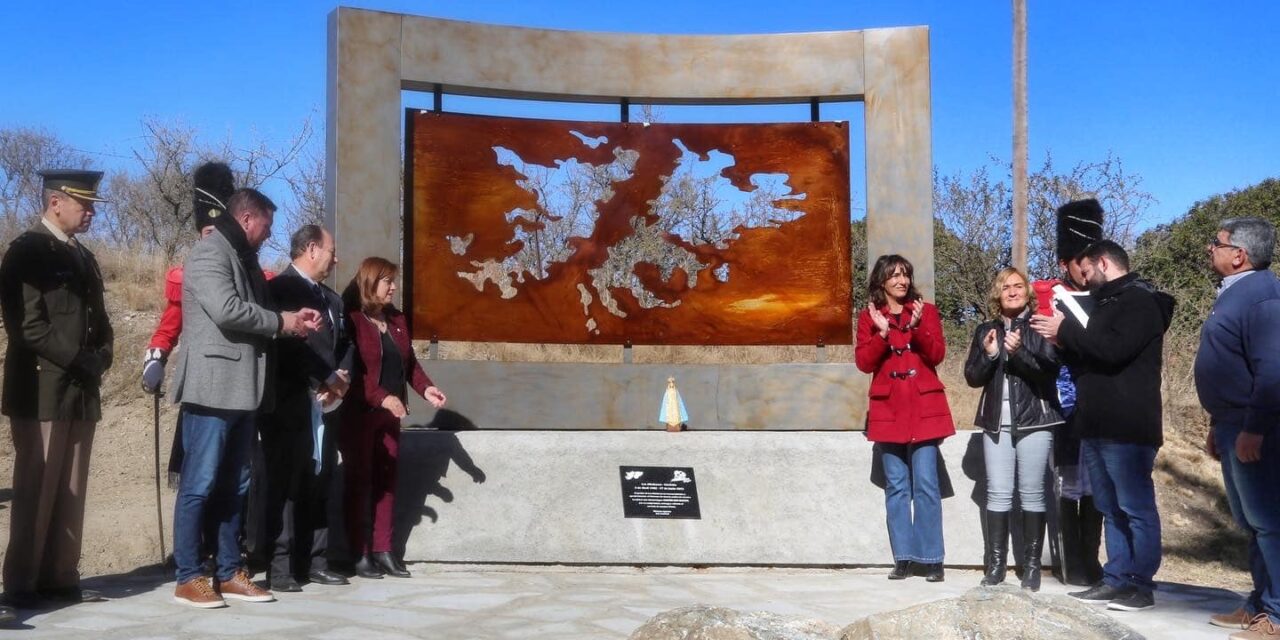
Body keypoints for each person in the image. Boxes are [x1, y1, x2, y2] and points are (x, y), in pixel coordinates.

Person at [169, 188, 321, 608]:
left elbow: (258, 310)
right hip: (213, 386)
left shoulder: (245, 259)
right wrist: (282, 321)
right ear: (248, 218)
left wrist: (293, 319)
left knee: (235, 485)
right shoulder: (209, 253)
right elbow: (227, 309)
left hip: (243, 390)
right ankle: (187, 575)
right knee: (199, 484)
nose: (268, 236)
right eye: (267, 227)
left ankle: (228, 571)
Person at [1030, 240, 1174, 612]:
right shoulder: (1107, 302)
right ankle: (1115, 579)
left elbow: (1113, 351)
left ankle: (1139, 584)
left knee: (1135, 508)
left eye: (1087, 269)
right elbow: (1089, 356)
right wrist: (1058, 340)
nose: (1084, 276)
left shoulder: (1140, 302)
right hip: (1095, 422)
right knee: (1110, 507)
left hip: (1127, 425)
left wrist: (1065, 331)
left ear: (1104, 263)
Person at [1, 170, 114, 610]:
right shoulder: (26, 252)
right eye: (83, 204)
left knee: (72, 484)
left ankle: (61, 576)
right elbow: (27, 324)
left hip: (80, 388)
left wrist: (103, 354)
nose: (90, 212)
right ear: (55, 203)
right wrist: (77, 359)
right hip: (42, 386)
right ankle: (23, 583)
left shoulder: (83, 256)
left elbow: (98, 318)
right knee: (37, 485)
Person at [1195, 217, 1280, 639]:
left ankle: (1278, 615)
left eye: (1217, 243)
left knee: (1270, 521)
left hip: (1255, 427)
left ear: (1239, 255)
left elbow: (1272, 369)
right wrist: (1218, 423)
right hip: (1232, 423)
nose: (1211, 249)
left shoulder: (1262, 297)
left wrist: (1254, 427)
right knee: (1252, 523)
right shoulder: (1236, 294)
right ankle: (1260, 604)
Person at [341, 257, 446, 579]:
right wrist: (382, 397)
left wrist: (426, 389)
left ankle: (383, 550)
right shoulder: (353, 319)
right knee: (360, 482)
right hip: (360, 414)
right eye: (388, 281)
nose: (394, 287)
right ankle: (358, 554)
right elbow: (354, 373)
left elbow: (409, 363)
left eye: (394, 281)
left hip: (391, 415)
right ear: (371, 282)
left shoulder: (397, 319)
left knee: (387, 482)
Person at [261, 225, 352, 592]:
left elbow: (345, 344)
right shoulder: (279, 289)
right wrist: (323, 378)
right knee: (285, 484)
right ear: (312, 249)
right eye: (332, 250)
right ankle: (280, 567)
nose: (336, 258)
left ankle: (315, 560)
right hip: (291, 401)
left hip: (328, 403)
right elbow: (287, 347)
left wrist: (340, 383)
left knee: (321, 480)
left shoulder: (332, 299)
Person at [854, 254, 954, 582]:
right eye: (894, 275)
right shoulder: (869, 317)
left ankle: (932, 557)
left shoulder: (926, 312)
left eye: (905, 275)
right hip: (888, 410)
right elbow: (864, 363)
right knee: (896, 487)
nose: (901, 281)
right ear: (881, 280)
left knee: (926, 483)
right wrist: (882, 335)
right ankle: (904, 557)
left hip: (924, 409)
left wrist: (916, 327)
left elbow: (937, 354)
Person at [964, 267, 1063, 591]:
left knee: (1033, 492)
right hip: (997, 422)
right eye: (1005, 287)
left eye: (1018, 286)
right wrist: (991, 355)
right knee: (998, 492)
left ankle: (1031, 568)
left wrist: (1018, 353)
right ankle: (995, 566)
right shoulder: (985, 330)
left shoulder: (1040, 326)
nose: (1012, 291)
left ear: (1027, 292)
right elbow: (972, 377)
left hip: (1035, 421)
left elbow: (1048, 372)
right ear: (997, 293)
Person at [1042, 198, 1106, 588]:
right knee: (1069, 485)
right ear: (1066, 263)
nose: (1088, 267)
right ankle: (1071, 562)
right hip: (1062, 403)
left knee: (1097, 485)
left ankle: (1091, 558)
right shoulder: (1047, 293)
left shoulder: (1111, 295)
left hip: (1102, 402)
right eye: (1080, 259)